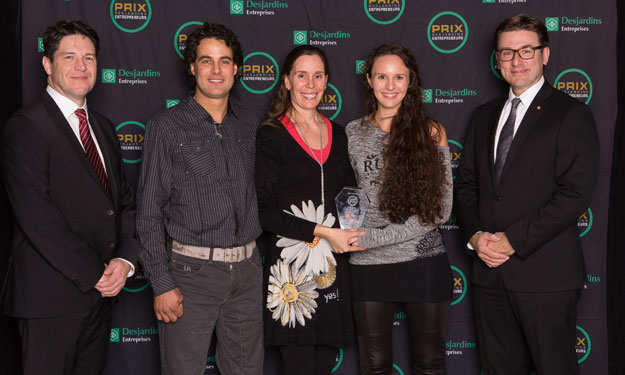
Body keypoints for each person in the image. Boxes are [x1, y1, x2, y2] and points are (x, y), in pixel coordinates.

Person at [454, 14, 599, 375]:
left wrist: (511, 241)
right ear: (497, 58)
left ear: (545, 55)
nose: (516, 61)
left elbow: (574, 195)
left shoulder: (571, 114)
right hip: (489, 275)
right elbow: (466, 185)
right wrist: (475, 237)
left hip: (545, 277)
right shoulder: (484, 116)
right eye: (507, 53)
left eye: (526, 51)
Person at [1, 20, 138, 375]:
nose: (81, 67)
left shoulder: (104, 128)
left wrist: (124, 261)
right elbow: (36, 215)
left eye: (89, 58)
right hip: (50, 299)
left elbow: (122, 204)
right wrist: (94, 272)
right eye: (70, 57)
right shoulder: (26, 126)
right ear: (47, 64)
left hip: (101, 295)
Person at [136, 23, 263, 375]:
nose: (217, 70)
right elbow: (148, 213)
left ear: (237, 68)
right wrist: (161, 283)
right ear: (192, 68)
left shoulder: (250, 125)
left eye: (225, 61)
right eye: (206, 61)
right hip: (191, 274)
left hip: (248, 271)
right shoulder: (166, 126)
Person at [255, 45, 364, 375]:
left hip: (332, 267)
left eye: (318, 76)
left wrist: (351, 229)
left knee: (323, 364)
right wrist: (323, 232)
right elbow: (265, 212)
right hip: (290, 271)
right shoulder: (271, 135)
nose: (310, 84)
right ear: (287, 81)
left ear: (327, 80)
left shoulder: (339, 132)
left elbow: (350, 195)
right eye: (301, 75)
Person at [345, 43, 453, 375]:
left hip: (422, 263)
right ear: (369, 79)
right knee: (374, 366)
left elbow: (439, 212)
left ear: (411, 82)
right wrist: (348, 229)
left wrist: (368, 240)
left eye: (399, 77)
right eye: (382, 77)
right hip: (369, 268)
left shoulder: (431, 132)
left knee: (429, 363)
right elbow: (352, 196)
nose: (390, 87)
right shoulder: (352, 132)